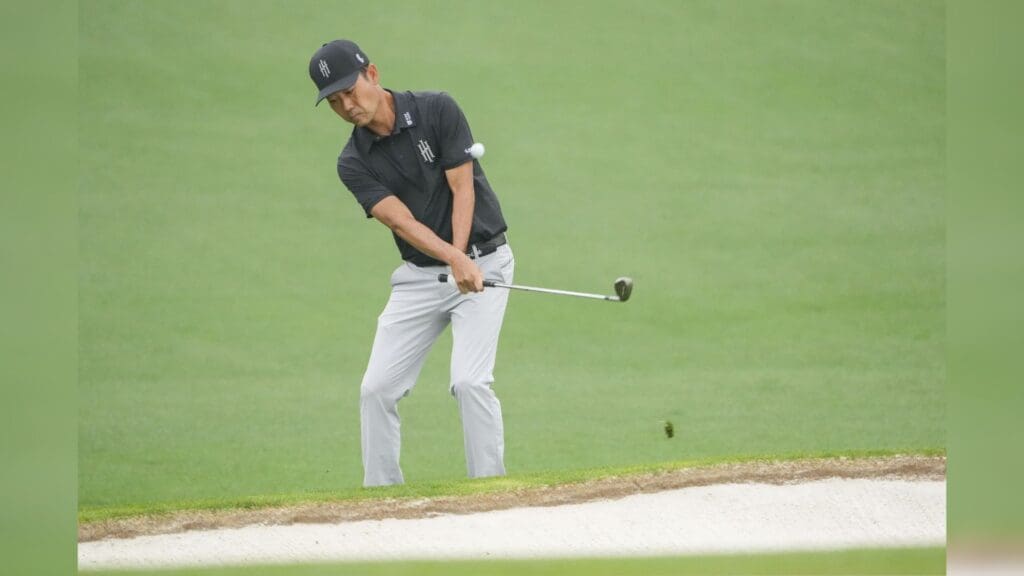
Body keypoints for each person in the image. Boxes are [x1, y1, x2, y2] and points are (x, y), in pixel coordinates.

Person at [308, 40, 514, 487]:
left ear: (373, 74)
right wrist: (452, 259)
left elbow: (464, 189)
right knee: (375, 389)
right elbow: (399, 221)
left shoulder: (437, 110)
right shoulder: (353, 162)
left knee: (470, 383)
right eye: (334, 100)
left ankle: (492, 493)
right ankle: (382, 499)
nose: (346, 105)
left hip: (485, 265)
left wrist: (462, 259)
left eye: (349, 90)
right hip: (420, 278)